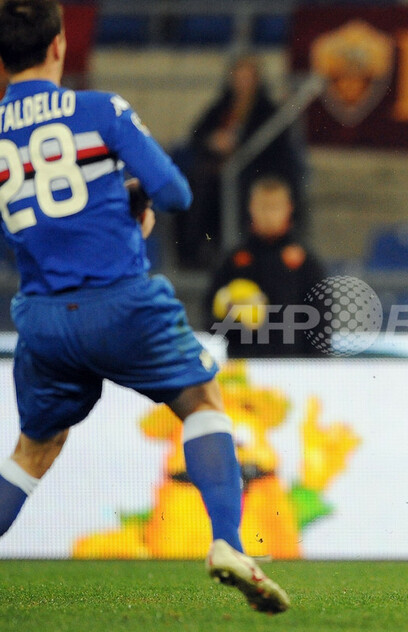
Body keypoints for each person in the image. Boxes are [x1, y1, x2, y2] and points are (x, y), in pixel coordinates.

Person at [0, 0, 288, 614]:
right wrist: (130, 194)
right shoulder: (99, 109)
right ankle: (228, 543)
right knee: (202, 403)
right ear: (58, 46)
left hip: (42, 318)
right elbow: (175, 192)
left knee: (32, 451)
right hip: (121, 304)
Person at [177, 54, 308, 268]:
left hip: (253, 172)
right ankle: (194, 252)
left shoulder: (267, 110)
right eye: (238, 77)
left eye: (247, 77)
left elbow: (273, 148)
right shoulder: (222, 106)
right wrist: (213, 140)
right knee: (195, 183)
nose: (242, 83)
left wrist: (238, 147)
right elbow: (197, 134)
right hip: (217, 175)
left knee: (241, 188)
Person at [206, 176, 327, 357]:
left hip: (294, 367)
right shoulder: (233, 261)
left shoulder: (306, 263)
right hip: (245, 365)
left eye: (275, 207)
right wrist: (234, 318)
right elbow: (210, 320)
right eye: (263, 207)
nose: (269, 215)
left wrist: (316, 367)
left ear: (289, 208)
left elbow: (321, 326)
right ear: (251, 207)